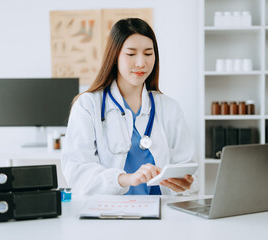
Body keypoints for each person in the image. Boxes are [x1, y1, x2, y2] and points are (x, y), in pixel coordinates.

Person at [61, 18, 195, 195]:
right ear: (115, 57)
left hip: (161, 214)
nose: (141, 63)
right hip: (110, 214)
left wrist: (186, 184)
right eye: (131, 54)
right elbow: (77, 172)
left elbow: (189, 166)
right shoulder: (88, 105)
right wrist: (126, 179)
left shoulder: (169, 107)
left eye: (148, 54)